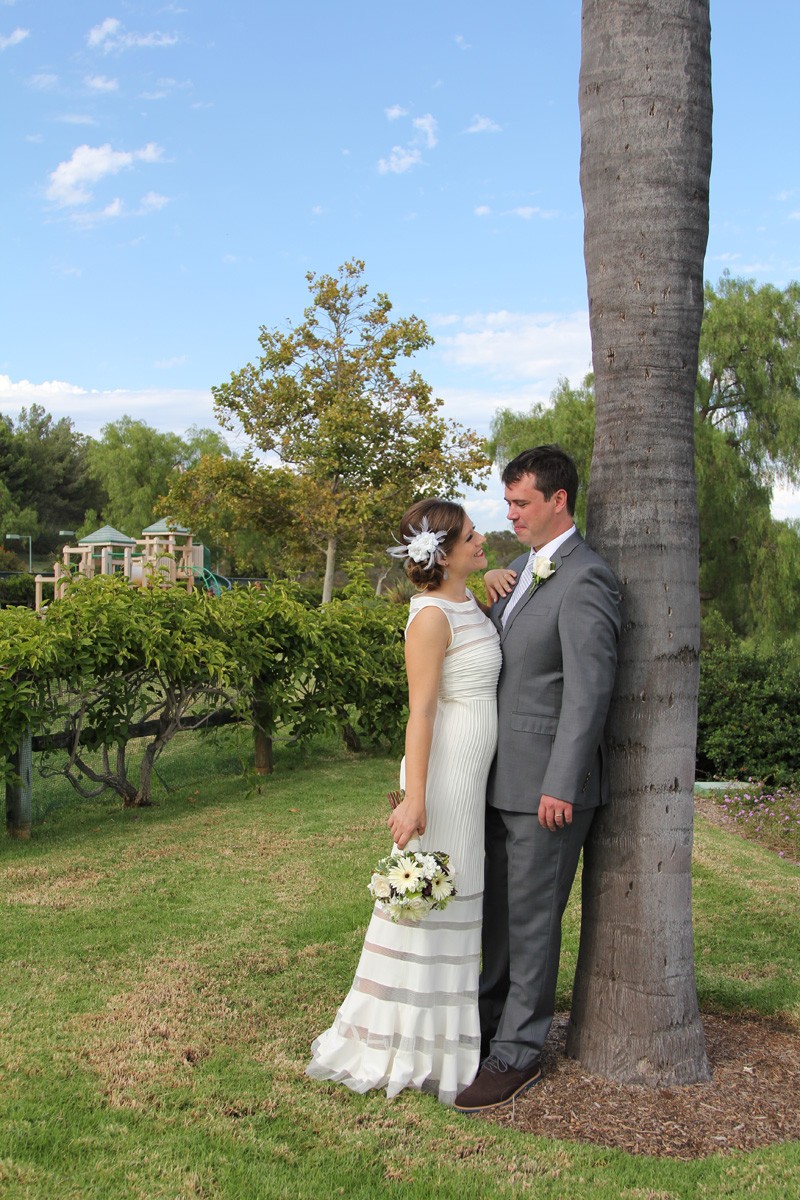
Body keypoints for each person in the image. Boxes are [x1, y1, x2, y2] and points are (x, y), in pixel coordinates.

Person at [306, 498, 503, 1104]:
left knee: (459, 897)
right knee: (428, 902)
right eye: (471, 537)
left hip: (473, 778)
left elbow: (483, 593)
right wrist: (415, 799)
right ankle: (404, 1042)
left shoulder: (467, 598)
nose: (481, 540)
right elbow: (419, 713)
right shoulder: (429, 621)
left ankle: (449, 1034)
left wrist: (493, 577)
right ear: (441, 553)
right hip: (442, 778)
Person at [454, 445, 621, 1114]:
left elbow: (589, 693)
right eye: (507, 501)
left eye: (520, 502)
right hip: (498, 780)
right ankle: (486, 1030)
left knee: (530, 925)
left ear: (558, 501)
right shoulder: (521, 569)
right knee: (494, 920)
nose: (509, 513)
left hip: (548, 793)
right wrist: (496, 578)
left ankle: (519, 1053)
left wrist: (562, 782)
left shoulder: (587, 579)